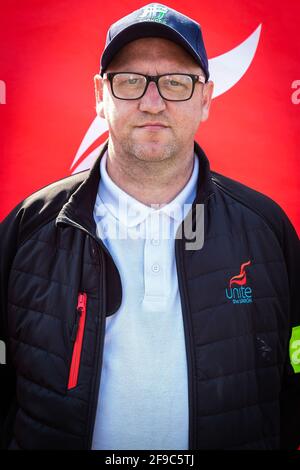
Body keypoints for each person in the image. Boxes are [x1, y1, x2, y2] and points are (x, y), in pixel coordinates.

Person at [0, 2, 299, 451]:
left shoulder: (267, 229)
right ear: (100, 95)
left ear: (205, 99)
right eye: (130, 81)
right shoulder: (31, 227)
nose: (152, 102)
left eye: (176, 82)